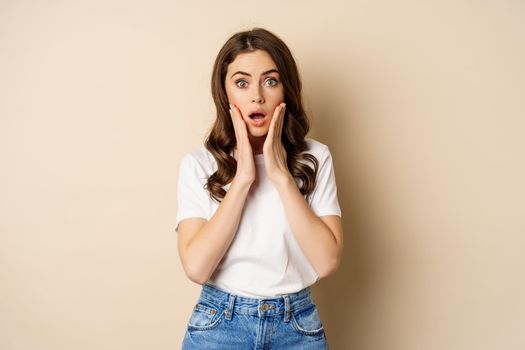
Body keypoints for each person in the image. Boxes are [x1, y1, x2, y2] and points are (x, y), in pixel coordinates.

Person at [175, 27, 343, 349]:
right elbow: (196, 267)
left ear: (286, 91)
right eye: (241, 83)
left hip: (297, 326)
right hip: (219, 325)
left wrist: (280, 175)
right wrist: (243, 180)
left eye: (270, 81)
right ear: (225, 95)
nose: (257, 97)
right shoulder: (198, 165)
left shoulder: (315, 157)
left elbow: (327, 261)